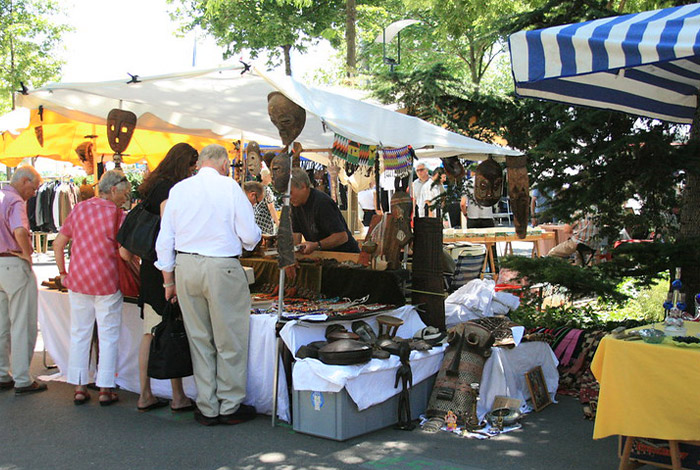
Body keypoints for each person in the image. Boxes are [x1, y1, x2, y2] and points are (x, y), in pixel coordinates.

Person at [155, 144, 261, 426]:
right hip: (221, 266)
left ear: (200, 163)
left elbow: (165, 239)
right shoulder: (229, 188)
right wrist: (252, 238)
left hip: (186, 265)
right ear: (225, 164)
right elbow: (249, 236)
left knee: (199, 339)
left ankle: (207, 404)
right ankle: (228, 404)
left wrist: (168, 280)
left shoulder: (179, 190)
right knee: (229, 338)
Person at [122, 142, 198, 412]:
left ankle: (147, 394)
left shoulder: (152, 187)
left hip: (150, 267)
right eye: (191, 167)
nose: (193, 173)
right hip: (163, 268)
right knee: (168, 329)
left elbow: (125, 251)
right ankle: (176, 396)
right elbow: (169, 230)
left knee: (151, 332)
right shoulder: (168, 189)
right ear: (183, 165)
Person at [54, 170, 131, 405]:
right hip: (107, 282)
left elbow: (59, 244)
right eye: (125, 193)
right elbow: (124, 253)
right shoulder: (119, 216)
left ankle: (79, 386)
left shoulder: (79, 209)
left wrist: (63, 274)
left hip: (78, 280)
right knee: (108, 334)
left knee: (80, 332)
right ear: (114, 190)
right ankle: (105, 388)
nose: (126, 198)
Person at [0, 165, 47, 395]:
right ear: (25, 180)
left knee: (1, 325)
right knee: (22, 323)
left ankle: (1, 373)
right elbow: (19, 230)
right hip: (12, 262)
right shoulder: (15, 201)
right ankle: (22, 378)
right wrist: (28, 254)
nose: (34, 192)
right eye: (34, 186)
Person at [289, 168, 360, 254]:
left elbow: (342, 236)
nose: (288, 197)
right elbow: (296, 234)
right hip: (324, 257)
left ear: (303, 186)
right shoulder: (296, 204)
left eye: (290, 192)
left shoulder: (322, 202)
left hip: (346, 256)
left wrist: (316, 245)